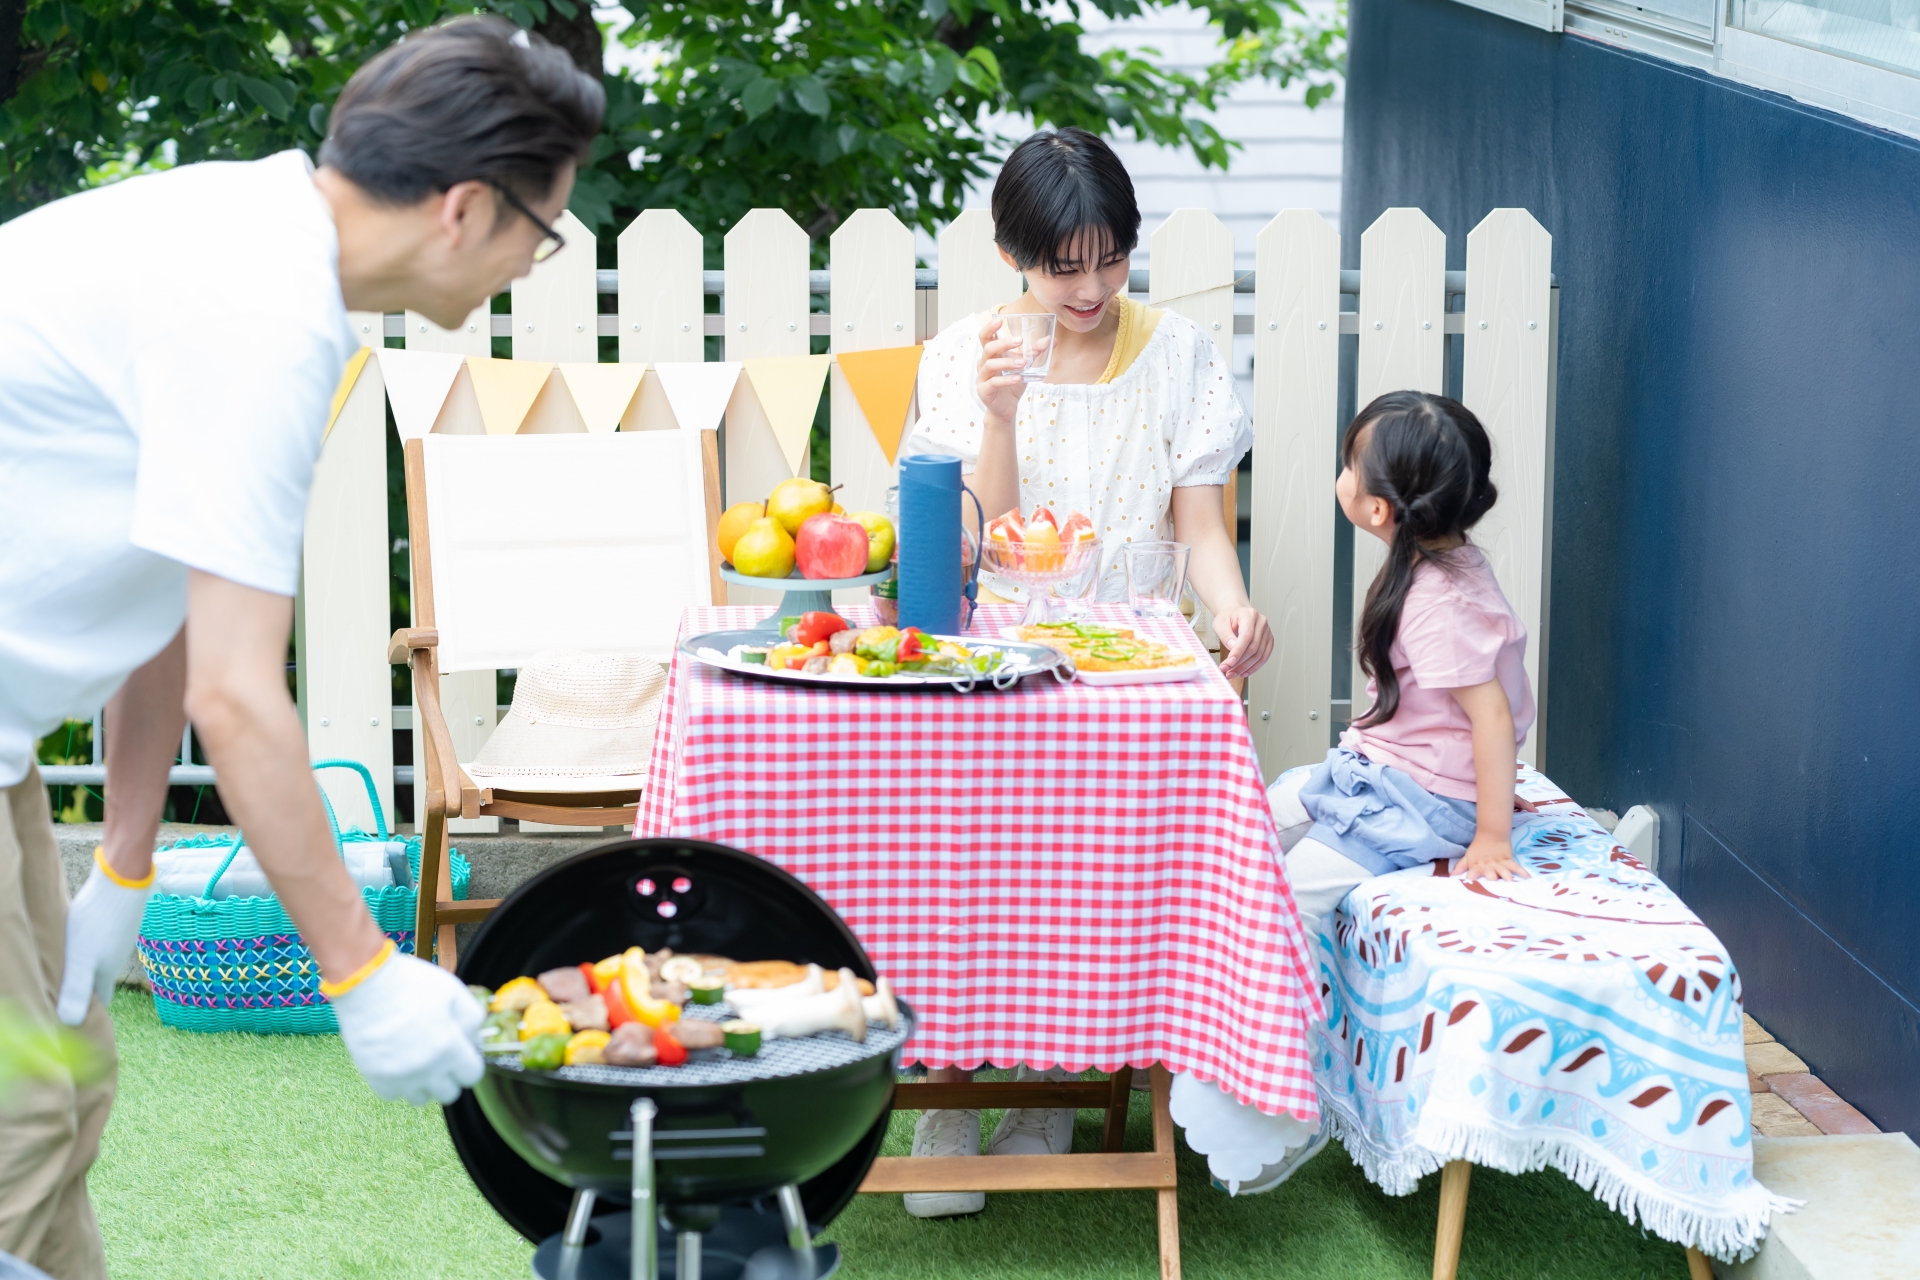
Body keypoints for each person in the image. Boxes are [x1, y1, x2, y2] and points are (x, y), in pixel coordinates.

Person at [0, 19, 602, 1277]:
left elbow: (170, 579)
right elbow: (236, 689)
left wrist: (122, 862)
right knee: (13, 1135)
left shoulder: (261, 251)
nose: (532, 267)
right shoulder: (259, 314)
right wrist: (363, 971)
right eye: (540, 232)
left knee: (61, 1100)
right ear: (462, 209)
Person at [896, 127, 1273, 1218]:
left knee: (1101, 868)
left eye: (1111, 258)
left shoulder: (1180, 352)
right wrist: (1003, 414)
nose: (1093, 287)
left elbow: (1198, 522)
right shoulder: (973, 352)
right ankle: (955, 1090)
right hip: (998, 659)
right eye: (1066, 264)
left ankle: (1054, 1083)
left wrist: (1232, 601)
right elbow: (987, 530)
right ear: (1016, 253)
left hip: (1133, 657)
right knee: (960, 853)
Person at [1170, 390, 1538, 1195]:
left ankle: (1281, 1094)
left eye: (1348, 465)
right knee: (1255, 819)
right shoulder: (1437, 558)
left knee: (1293, 896)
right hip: (1386, 771)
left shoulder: (1440, 600)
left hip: (1421, 801)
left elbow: (1492, 721)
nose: (1340, 475)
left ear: (1376, 507)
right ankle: (1209, 1007)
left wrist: (1492, 835)